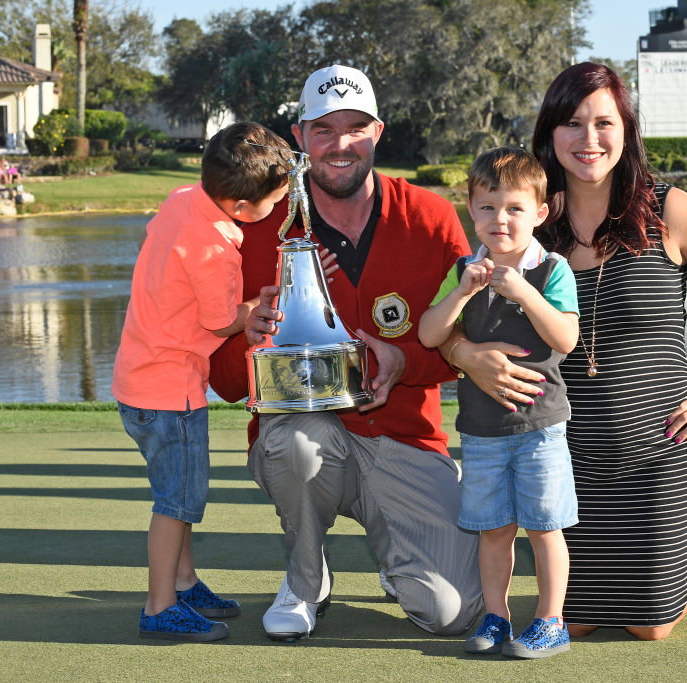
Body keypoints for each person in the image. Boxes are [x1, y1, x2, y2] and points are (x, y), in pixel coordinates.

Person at [449, 62, 687, 641]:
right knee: (575, 623)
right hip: (558, 454)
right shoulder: (522, 219)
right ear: (550, 134)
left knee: (647, 628)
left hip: (658, 452)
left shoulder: (665, 210)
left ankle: (680, 566)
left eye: (604, 123)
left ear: (627, 131)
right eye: (573, 123)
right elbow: (458, 311)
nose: (589, 140)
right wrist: (462, 356)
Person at [208, 64, 483, 641]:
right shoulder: (258, 226)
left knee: (451, 613)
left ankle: (399, 554)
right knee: (296, 446)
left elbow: (465, 343)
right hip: (302, 435)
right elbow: (227, 382)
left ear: (378, 131)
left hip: (405, 437)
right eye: (324, 129)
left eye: (356, 128)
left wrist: (406, 360)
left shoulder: (430, 218)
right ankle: (305, 580)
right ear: (299, 136)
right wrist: (250, 334)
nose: (340, 144)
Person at [112, 121, 292, 641]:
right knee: (178, 502)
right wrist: (259, 304)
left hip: (139, 380)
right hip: (170, 392)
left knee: (176, 495)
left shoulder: (184, 199)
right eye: (275, 199)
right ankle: (159, 606)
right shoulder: (214, 246)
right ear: (240, 206)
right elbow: (219, 320)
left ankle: (184, 583)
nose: (279, 206)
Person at [418, 147, 579, 659]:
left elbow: (566, 337)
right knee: (493, 530)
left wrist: (524, 293)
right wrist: (462, 293)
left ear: (540, 212)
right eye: (487, 207)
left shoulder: (551, 269)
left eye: (513, 208)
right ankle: (496, 616)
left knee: (543, 526)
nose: (499, 219)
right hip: (483, 432)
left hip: (541, 428)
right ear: (470, 209)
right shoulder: (463, 270)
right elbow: (427, 335)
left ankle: (551, 621)